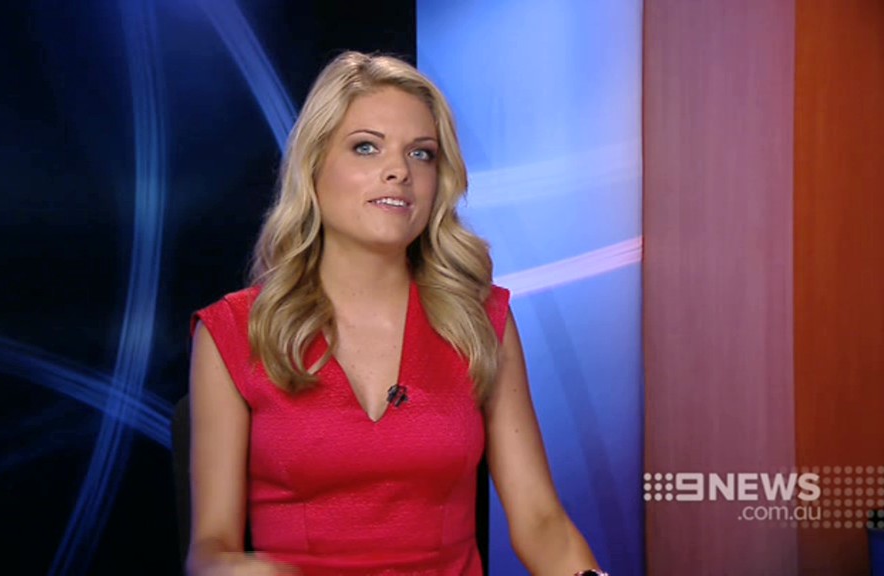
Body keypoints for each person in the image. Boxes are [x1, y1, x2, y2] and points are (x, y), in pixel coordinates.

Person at [186, 51, 604, 576]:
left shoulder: (479, 322)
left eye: (421, 154)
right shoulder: (233, 332)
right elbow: (210, 549)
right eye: (366, 147)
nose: (399, 172)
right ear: (313, 166)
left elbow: (542, 524)